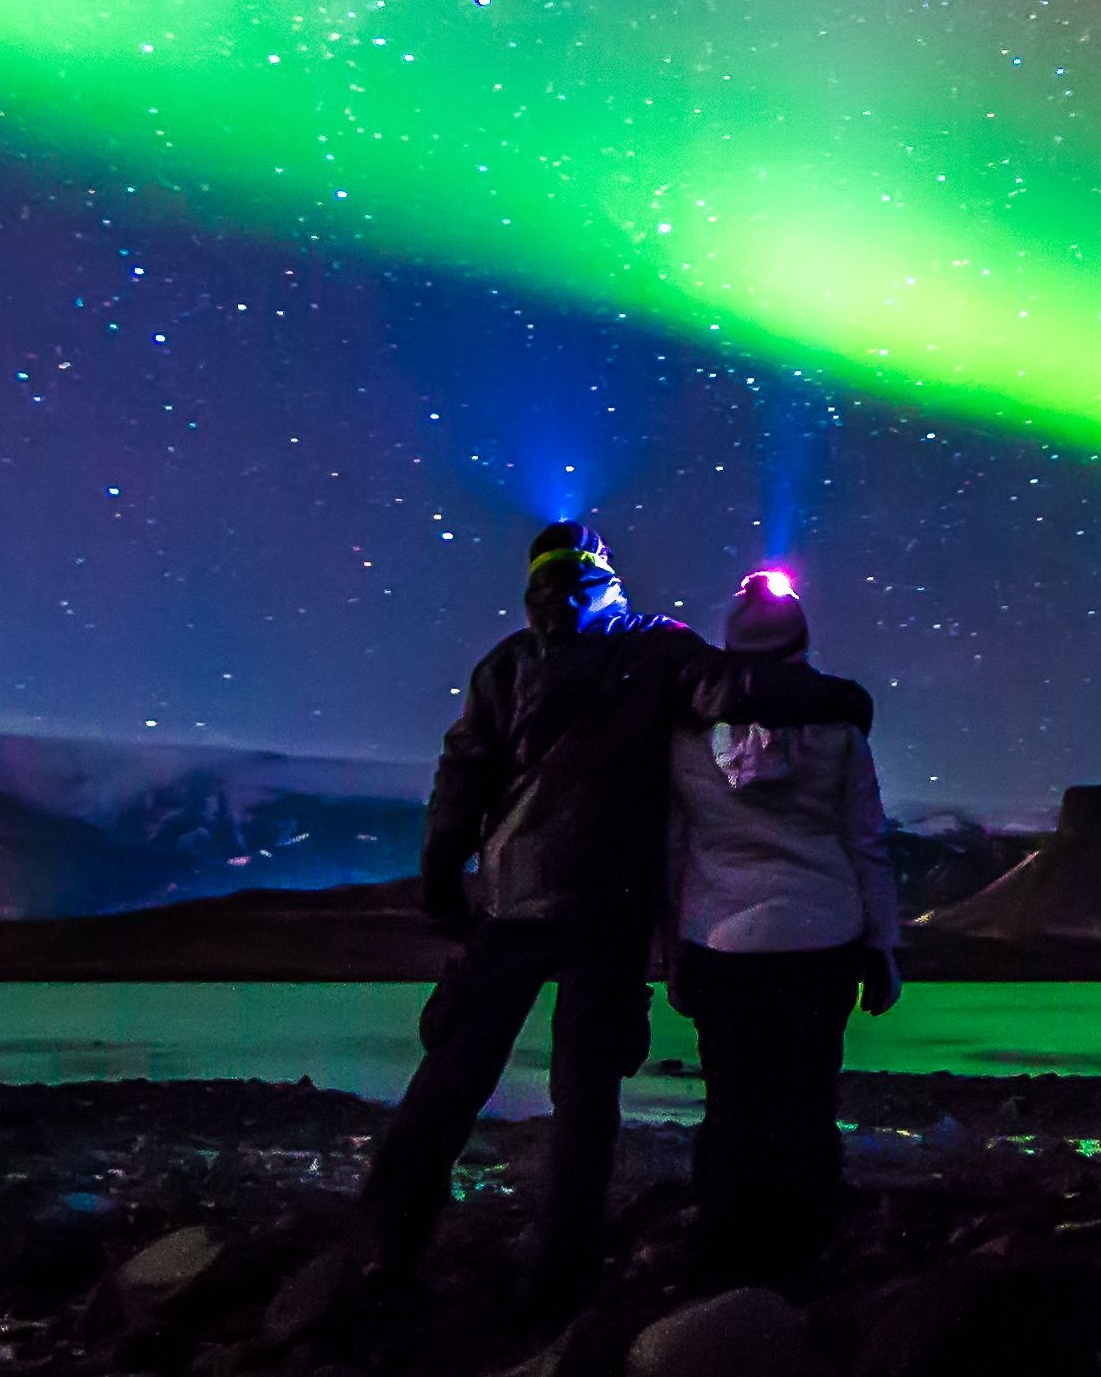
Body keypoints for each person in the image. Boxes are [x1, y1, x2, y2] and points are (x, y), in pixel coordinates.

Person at [357, 521, 703, 1318]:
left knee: (450, 1075)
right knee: (587, 1095)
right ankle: (557, 1278)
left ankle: (383, 1249)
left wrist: (444, 875)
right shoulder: (658, 646)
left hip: (515, 897)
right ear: (605, 570)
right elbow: (730, 694)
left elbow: (464, 770)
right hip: (612, 903)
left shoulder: (506, 663)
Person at [664, 564, 898, 1288]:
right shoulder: (841, 734)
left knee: (731, 1097)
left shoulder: (683, 735)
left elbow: (675, 847)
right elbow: (865, 842)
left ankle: (725, 1250)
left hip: (720, 941)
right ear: (801, 642)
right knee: (805, 1098)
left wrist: (668, 950)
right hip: (822, 939)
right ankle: (803, 1250)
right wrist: (883, 946)